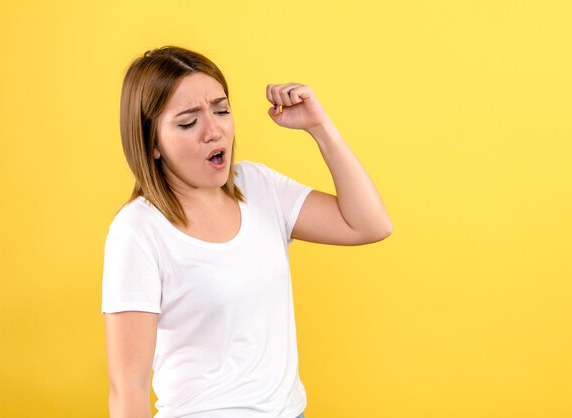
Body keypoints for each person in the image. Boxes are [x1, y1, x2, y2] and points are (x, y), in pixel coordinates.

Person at [102, 45, 393, 418]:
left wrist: (320, 128)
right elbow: (128, 387)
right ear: (153, 143)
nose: (214, 130)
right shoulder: (138, 230)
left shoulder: (259, 186)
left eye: (221, 110)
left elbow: (370, 224)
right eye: (189, 122)